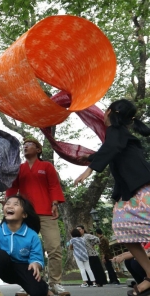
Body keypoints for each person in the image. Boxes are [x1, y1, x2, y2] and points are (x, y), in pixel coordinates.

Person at [74, 99, 150, 296]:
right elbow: (111, 150)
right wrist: (90, 158)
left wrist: (89, 170)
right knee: (123, 229)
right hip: (131, 194)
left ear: (107, 113)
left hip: (144, 189)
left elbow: (112, 148)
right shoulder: (118, 136)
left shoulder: (115, 133)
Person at [6, 138, 67, 295]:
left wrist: (55, 203)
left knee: (53, 248)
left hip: (47, 212)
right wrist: (8, 203)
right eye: (24, 146)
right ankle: (28, 283)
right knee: (25, 250)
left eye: (29, 145)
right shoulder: (20, 168)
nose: (25, 147)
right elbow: (13, 187)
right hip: (27, 215)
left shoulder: (46, 166)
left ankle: (55, 283)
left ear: (39, 150)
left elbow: (54, 185)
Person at [0, 195, 53, 296]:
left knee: (38, 291)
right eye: (8, 204)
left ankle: (45, 290)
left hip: (24, 270)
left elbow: (36, 256)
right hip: (6, 270)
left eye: (15, 204)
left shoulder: (32, 235)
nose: (10, 206)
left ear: (24, 214)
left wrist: (36, 264)